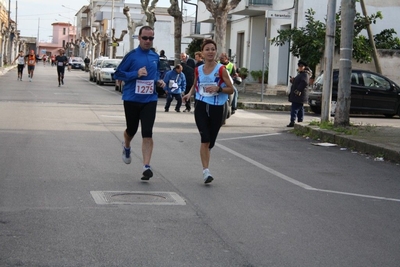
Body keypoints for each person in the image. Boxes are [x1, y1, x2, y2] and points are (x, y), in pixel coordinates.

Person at [113, 25, 166, 181]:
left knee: (147, 132)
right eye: (145, 38)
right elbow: (118, 74)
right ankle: (126, 146)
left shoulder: (155, 56)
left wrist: (159, 82)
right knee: (131, 130)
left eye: (151, 38)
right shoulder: (131, 56)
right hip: (131, 99)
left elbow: (155, 75)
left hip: (150, 99)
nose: (148, 41)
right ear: (139, 38)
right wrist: (135, 73)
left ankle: (146, 166)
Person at [182, 39, 234, 184]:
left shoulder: (221, 70)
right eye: (207, 49)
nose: (210, 51)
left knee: (211, 141)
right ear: (202, 53)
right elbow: (195, 84)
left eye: (213, 49)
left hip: (217, 107)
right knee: (205, 138)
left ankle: (207, 150)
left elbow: (231, 89)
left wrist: (219, 89)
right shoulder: (198, 69)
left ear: (215, 52)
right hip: (201, 104)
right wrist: (188, 94)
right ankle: (206, 171)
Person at [287, 60, 312, 127]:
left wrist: (298, 90)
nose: (300, 67)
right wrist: (293, 80)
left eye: (301, 66)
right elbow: (298, 82)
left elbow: (304, 82)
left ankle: (292, 121)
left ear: (305, 67)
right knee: (300, 108)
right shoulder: (301, 74)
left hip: (299, 95)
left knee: (294, 108)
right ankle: (300, 121)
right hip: (298, 95)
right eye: (299, 66)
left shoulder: (305, 74)